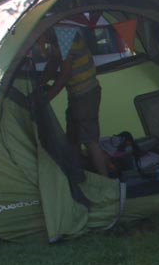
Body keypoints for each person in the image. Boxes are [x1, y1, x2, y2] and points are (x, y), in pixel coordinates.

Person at [37, 26, 109, 176]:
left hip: (86, 94)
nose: (40, 43)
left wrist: (46, 98)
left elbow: (64, 74)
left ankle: (107, 182)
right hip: (77, 95)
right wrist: (39, 84)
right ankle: (78, 175)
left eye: (39, 38)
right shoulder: (57, 40)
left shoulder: (65, 37)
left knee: (90, 140)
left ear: (45, 30)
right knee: (73, 137)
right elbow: (53, 64)